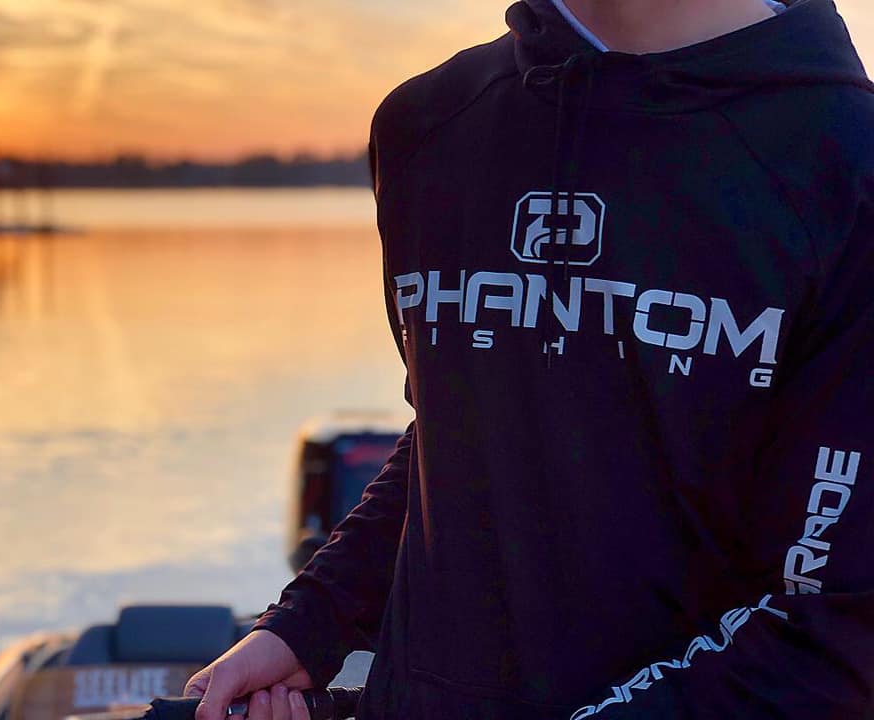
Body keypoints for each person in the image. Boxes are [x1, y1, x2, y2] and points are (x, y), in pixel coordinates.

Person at [186, 0, 874, 717]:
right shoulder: (427, 126)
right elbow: (457, 433)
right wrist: (310, 620)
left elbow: (831, 627)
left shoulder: (845, 159)